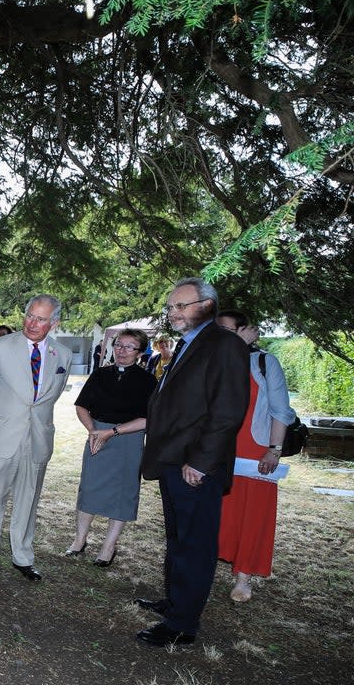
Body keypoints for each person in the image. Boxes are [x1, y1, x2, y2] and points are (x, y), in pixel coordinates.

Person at [134, 277, 249, 647]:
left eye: (181, 305)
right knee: (178, 538)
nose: (174, 313)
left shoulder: (225, 344)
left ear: (208, 305)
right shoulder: (189, 344)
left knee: (195, 544)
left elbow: (228, 411)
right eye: (171, 307)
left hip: (195, 464)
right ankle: (175, 602)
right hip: (172, 458)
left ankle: (182, 624)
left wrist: (200, 463)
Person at [0, 294, 72, 582]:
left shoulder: (62, 356)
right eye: (30, 315)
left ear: (54, 323)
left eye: (41, 319)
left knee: (29, 499)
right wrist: (5, 418)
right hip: (2, 434)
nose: (32, 323)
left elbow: (47, 398)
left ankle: (23, 557)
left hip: (38, 438)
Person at [215, 309, 294, 603]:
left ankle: (244, 576)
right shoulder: (219, 359)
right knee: (220, 511)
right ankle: (213, 560)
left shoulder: (264, 362)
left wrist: (274, 449)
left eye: (227, 329)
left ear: (245, 330)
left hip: (255, 447)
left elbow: (280, 409)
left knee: (252, 514)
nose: (220, 334)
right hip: (221, 447)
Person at [65, 328, 157, 567]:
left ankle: (108, 547)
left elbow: (149, 419)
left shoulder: (148, 380)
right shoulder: (100, 375)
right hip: (97, 434)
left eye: (129, 347)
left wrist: (113, 432)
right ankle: (79, 540)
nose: (122, 350)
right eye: (119, 345)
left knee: (123, 493)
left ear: (140, 352)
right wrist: (93, 430)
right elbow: (82, 406)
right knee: (89, 487)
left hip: (129, 438)